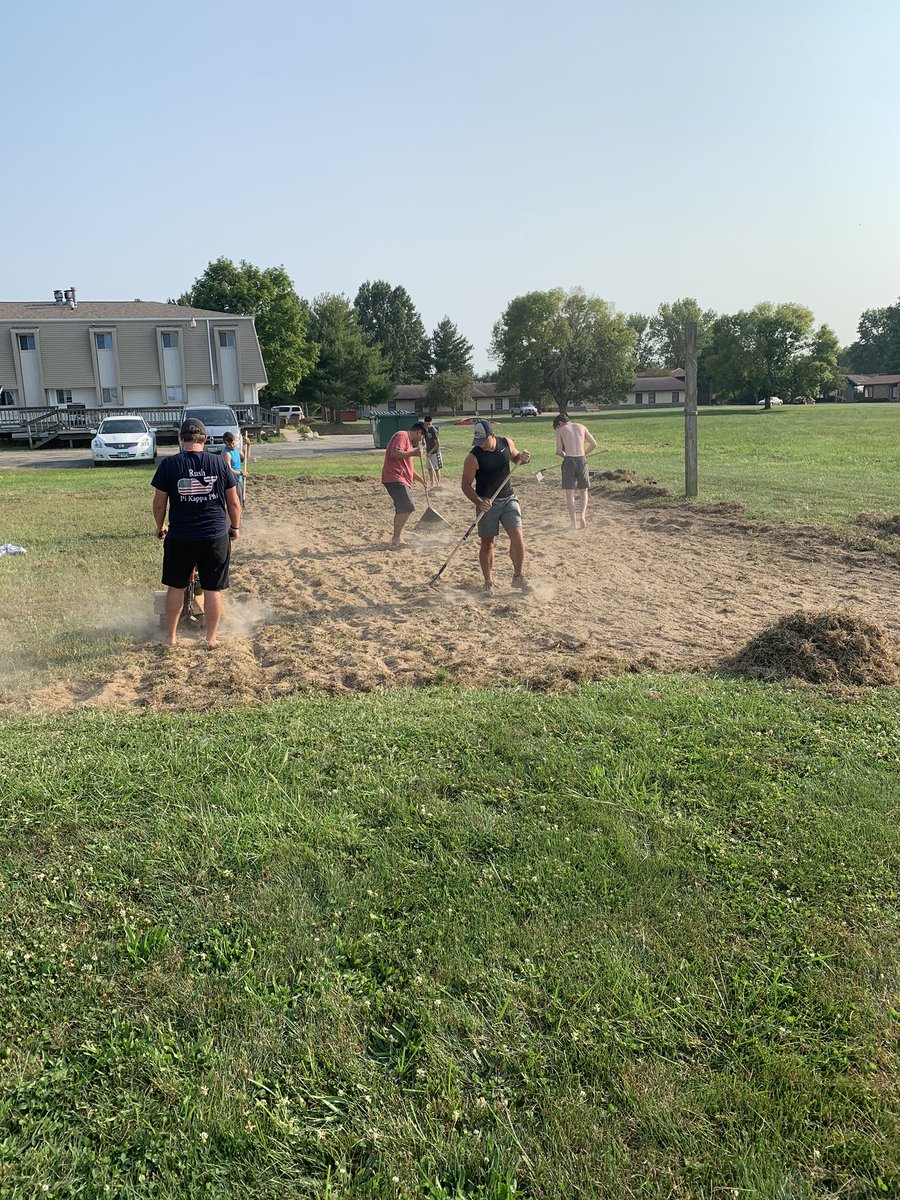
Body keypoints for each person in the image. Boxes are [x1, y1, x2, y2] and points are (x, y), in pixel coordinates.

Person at [151, 418, 242, 647]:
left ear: (181, 439)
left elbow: (159, 504)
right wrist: (235, 527)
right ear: (205, 439)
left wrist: (160, 526)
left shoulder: (169, 465)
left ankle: (171, 638)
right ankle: (211, 638)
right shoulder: (219, 463)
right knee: (212, 589)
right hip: (214, 537)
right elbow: (234, 502)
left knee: (176, 586)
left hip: (181, 537)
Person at [460, 418, 531, 593]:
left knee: (517, 537)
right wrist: (479, 502)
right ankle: (488, 582)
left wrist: (523, 458)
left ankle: (518, 577)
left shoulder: (506, 443)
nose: (481, 445)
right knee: (487, 543)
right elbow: (465, 486)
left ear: (492, 435)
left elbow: (516, 458)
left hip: (508, 498)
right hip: (486, 503)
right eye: (478, 441)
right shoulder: (473, 458)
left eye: (483, 441)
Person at [381, 420, 427, 548]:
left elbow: (408, 468)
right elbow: (394, 453)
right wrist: (414, 453)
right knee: (407, 506)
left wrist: (420, 480)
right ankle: (396, 538)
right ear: (419, 432)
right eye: (422, 436)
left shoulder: (409, 444)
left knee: (404, 507)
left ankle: (397, 537)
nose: (421, 439)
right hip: (394, 477)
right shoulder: (402, 435)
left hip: (400, 479)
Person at [554, 412, 597, 529]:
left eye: (557, 426)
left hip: (569, 460)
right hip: (582, 460)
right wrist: (584, 453)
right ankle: (582, 516)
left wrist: (565, 455)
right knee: (584, 491)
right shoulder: (582, 427)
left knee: (570, 493)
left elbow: (559, 451)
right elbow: (594, 444)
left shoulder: (561, 430)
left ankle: (573, 522)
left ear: (560, 423)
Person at [222, 431, 245, 505]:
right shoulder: (226, 453)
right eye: (229, 444)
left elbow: (245, 457)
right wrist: (241, 473)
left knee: (241, 501)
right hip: (233, 481)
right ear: (225, 443)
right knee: (237, 503)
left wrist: (248, 444)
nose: (232, 446)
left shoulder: (236, 449)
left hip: (239, 479)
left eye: (233, 443)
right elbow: (228, 470)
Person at [422, 415, 442, 487]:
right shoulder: (425, 430)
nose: (428, 425)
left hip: (435, 453)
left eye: (429, 424)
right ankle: (432, 483)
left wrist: (430, 452)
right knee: (429, 468)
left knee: (436, 469)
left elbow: (437, 444)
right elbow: (423, 438)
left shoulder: (433, 431)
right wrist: (423, 441)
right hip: (428, 453)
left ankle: (438, 484)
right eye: (426, 424)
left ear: (431, 422)